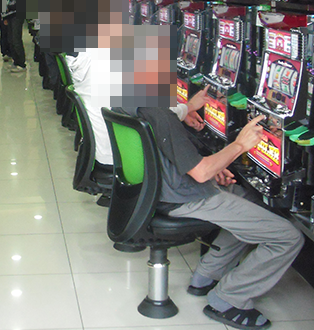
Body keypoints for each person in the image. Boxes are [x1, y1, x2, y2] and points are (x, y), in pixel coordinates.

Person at [123, 104, 304, 330]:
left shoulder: (133, 102)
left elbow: (185, 160)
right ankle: (229, 298)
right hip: (184, 198)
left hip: (162, 189)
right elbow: (200, 172)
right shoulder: (159, 112)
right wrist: (239, 145)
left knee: (250, 198)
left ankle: (207, 274)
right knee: (288, 237)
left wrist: (216, 164)